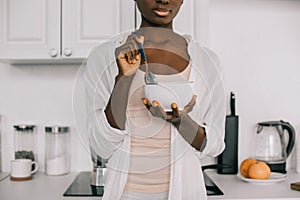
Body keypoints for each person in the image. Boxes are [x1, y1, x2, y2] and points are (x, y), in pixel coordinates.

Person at [84, 0, 226, 199]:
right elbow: (101, 147)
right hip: (125, 194)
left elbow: (214, 145)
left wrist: (180, 121)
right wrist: (123, 79)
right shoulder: (103, 56)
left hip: (185, 192)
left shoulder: (207, 61)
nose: (164, 0)